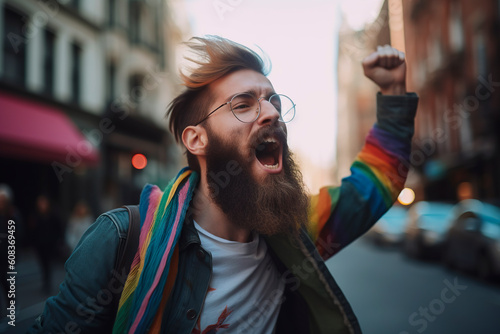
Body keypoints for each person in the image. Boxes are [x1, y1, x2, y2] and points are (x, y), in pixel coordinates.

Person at [30, 36, 418, 333]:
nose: (270, 113)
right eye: (243, 104)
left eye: (272, 102)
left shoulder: (296, 231)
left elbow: (374, 185)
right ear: (196, 140)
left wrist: (393, 93)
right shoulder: (121, 240)